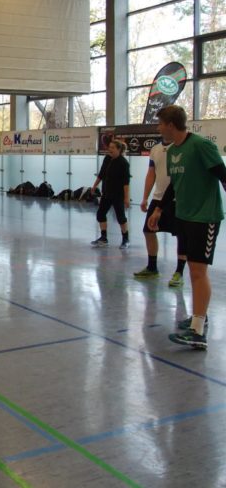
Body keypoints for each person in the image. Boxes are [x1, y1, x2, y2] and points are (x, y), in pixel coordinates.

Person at [148, 105, 226, 350]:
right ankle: (199, 316)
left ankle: (197, 332)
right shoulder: (172, 151)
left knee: (198, 271)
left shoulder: (201, 146)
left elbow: (223, 175)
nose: (159, 128)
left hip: (204, 217)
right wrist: (158, 210)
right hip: (184, 216)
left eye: (160, 124)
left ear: (171, 125)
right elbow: (174, 184)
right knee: (194, 270)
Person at [133, 139, 186, 286]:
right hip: (158, 198)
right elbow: (151, 174)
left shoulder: (181, 147)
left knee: (181, 235)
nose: (159, 128)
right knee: (148, 230)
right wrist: (145, 197)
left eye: (161, 126)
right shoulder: (155, 149)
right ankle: (152, 267)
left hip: (178, 199)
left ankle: (179, 272)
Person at [90, 139, 131, 249]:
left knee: (120, 217)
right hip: (106, 193)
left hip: (118, 195)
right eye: (109, 147)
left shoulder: (124, 163)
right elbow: (101, 174)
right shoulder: (107, 158)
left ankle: (125, 239)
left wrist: (127, 198)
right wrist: (94, 186)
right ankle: (104, 238)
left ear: (119, 149)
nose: (110, 149)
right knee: (100, 214)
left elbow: (126, 183)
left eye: (113, 148)